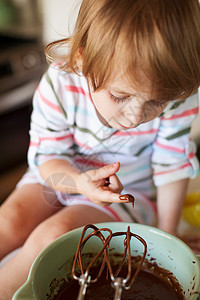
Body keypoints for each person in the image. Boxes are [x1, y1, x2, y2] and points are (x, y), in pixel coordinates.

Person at [0, 0, 200, 298]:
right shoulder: (60, 83)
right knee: (9, 220)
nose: (135, 116)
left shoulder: (179, 98)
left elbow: (172, 165)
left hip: (127, 193)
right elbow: (47, 159)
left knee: (53, 235)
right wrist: (78, 183)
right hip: (58, 175)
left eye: (156, 102)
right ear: (82, 59)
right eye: (120, 95)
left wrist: (168, 234)